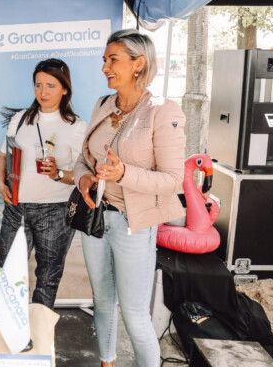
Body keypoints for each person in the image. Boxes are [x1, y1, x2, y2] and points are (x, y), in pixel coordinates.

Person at [73, 29, 186, 367]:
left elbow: (173, 180)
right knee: (102, 302)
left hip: (133, 226)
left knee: (136, 315)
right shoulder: (103, 104)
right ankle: (106, 363)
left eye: (113, 60)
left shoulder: (163, 111)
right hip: (96, 218)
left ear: (139, 64)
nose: (105, 67)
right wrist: (84, 179)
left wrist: (124, 174)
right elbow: (85, 158)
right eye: (104, 60)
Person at [0, 58, 86, 309]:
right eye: (38, 85)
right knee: (9, 274)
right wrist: (2, 185)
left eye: (51, 86)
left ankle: (38, 334)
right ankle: (13, 330)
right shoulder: (21, 119)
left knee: (47, 278)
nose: (43, 92)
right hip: (16, 209)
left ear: (65, 89)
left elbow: (82, 174)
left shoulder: (76, 127)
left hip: (55, 210)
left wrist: (58, 174)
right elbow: (3, 156)